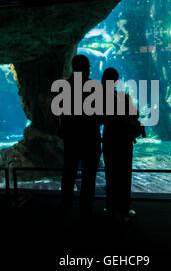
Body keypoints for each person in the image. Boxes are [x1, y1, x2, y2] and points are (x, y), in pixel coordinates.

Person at [58, 55, 102, 220]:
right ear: (87, 68)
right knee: (89, 175)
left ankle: (66, 207)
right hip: (90, 137)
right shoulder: (94, 87)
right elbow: (102, 113)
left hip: (71, 137)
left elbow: (56, 112)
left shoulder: (63, 86)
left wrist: (60, 128)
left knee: (68, 173)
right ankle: (86, 209)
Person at [101, 68, 145, 223]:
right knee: (124, 175)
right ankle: (125, 211)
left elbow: (99, 119)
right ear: (116, 81)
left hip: (109, 140)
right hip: (124, 140)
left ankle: (110, 207)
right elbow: (136, 114)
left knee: (110, 174)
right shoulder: (123, 96)